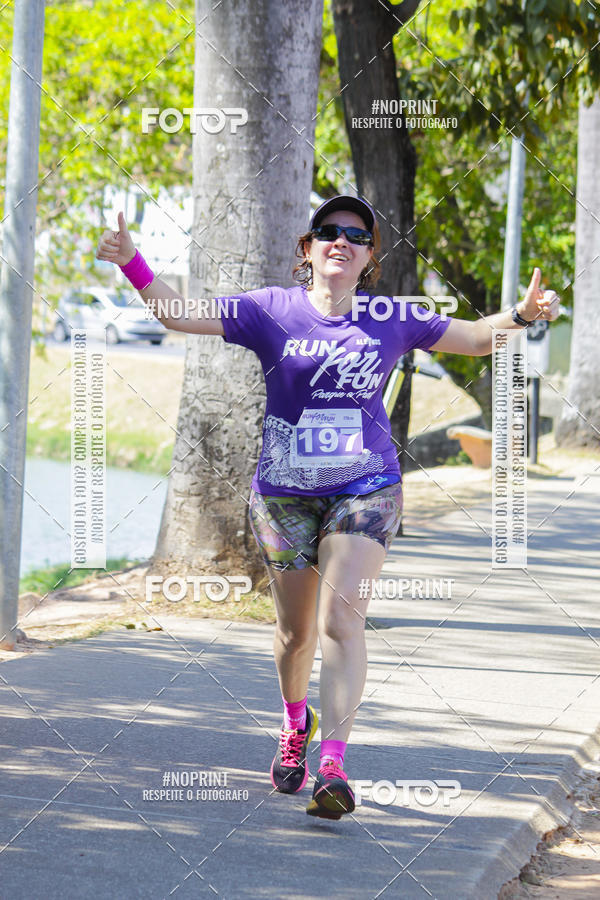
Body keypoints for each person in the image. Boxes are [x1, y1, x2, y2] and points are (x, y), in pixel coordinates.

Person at [96, 195, 559, 820]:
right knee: (294, 635)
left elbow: (476, 337)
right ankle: (296, 724)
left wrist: (523, 316)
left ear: (369, 258)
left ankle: (334, 764)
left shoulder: (392, 317)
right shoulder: (269, 310)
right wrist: (133, 262)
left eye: (357, 236)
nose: (342, 241)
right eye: (328, 232)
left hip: (364, 488)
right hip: (284, 494)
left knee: (343, 620)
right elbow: (179, 316)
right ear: (308, 249)